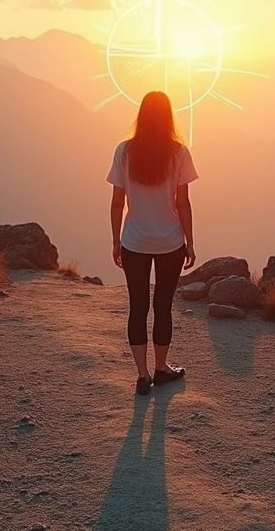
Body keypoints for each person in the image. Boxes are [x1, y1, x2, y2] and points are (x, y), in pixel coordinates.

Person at [107, 90, 199, 396]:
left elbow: (117, 203)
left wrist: (116, 240)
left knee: (138, 307)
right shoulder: (179, 153)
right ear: (169, 117)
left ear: (141, 116)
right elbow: (183, 203)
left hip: (134, 241)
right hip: (170, 242)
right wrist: (190, 241)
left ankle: (143, 375)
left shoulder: (124, 151)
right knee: (163, 307)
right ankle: (161, 369)